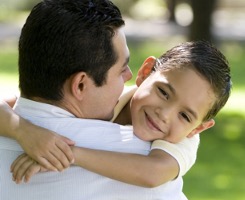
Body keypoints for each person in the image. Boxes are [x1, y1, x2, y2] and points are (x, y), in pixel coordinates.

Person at [0, 0, 200, 200]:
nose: (129, 76)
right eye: (121, 69)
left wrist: (20, 129)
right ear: (81, 85)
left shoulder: (9, 127)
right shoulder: (137, 160)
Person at [10, 41, 231, 188]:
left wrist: (66, 155)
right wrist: (24, 131)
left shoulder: (183, 142)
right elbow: (10, 105)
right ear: (145, 73)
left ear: (197, 128)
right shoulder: (108, 99)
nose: (164, 114)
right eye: (163, 92)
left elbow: (152, 174)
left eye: (185, 116)